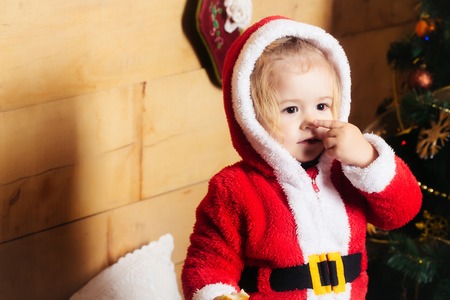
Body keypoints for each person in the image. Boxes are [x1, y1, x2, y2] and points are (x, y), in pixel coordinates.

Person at [181, 16, 422, 300]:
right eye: (291, 110)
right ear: (252, 116)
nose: (310, 121)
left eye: (322, 105)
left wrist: (368, 159)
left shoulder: (349, 171)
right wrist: (217, 294)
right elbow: (209, 263)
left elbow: (402, 211)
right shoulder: (234, 188)